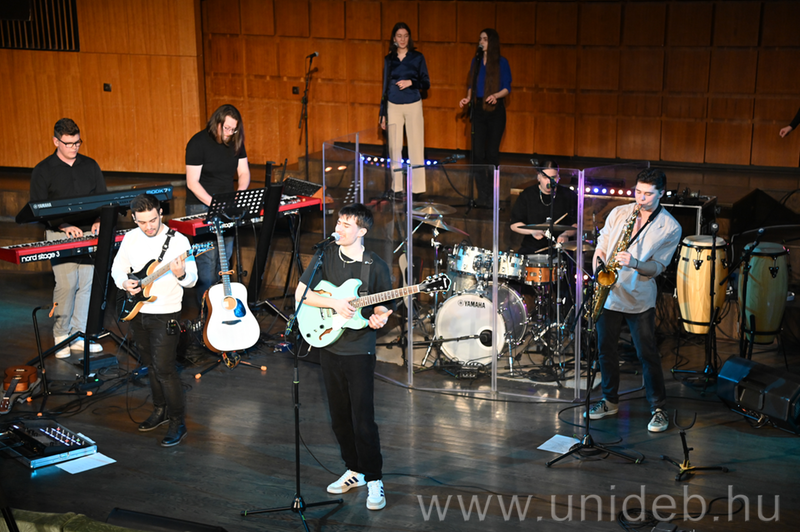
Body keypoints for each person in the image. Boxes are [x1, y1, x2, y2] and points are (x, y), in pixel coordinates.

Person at [295, 204, 393, 511]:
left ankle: (374, 479)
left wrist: (380, 316)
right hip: (329, 346)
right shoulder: (325, 255)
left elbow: (384, 305)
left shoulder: (375, 265)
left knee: (363, 419)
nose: (339, 228)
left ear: (362, 231)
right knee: (339, 417)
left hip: (359, 350)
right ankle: (354, 470)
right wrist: (335, 304)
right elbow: (301, 294)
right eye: (339, 222)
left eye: (347, 225)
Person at [587, 168, 681, 433]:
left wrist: (635, 262)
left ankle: (658, 408)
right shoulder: (620, 212)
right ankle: (609, 401)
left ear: (661, 193)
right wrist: (599, 271)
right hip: (610, 293)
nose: (641, 198)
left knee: (647, 354)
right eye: (638, 192)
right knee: (606, 351)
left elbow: (658, 267)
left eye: (648, 194)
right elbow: (602, 245)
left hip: (639, 296)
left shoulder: (670, 227)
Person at [111, 194, 198, 447]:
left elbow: (192, 279)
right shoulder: (130, 238)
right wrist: (124, 282)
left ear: (161, 213)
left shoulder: (179, 241)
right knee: (150, 365)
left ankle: (177, 422)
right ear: (133, 218)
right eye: (142, 222)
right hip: (139, 312)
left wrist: (181, 274)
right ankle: (160, 411)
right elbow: (117, 268)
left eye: (152, 220)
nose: (148, 227)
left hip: (166, 314)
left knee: (165, 369)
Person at [30, 118, 107, 358]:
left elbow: (102, 199)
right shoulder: (43, 170)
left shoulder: (90, 165)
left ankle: (79, 334)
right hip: (59, 233)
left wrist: (99, 219)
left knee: (87, 284)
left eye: (77, 142)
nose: (74, 147)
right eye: (68, 143)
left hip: (88, 233)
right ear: (56, 142)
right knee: (67, 284)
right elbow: (38, 208)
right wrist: (63, 225)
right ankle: (61, 336)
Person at [185, 104, 250, 308]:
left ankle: (223, 307)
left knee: (224, 259)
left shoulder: (236, 141)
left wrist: (240, 194)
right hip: (201, 204)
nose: (230, 133)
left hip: (226, 205)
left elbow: (244, 172)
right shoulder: (198, 142)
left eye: (234, 129)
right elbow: (192, 182)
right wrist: (215, 205)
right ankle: (206, 312)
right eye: (227, 128)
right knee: (207, 261)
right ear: (217, 123)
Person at [459, 28, 512, 208]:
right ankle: (483, 195)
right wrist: (468, 98)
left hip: (496, 110)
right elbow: (471, 85)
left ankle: (492, 194)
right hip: (479, 109)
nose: (481, 42)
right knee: (477, 154)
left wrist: (496, 95)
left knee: (491, 154)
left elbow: (507, 87)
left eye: (485, 39)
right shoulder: (476, 61)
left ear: (492, 42)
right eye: (480, 39)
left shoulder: (502, 62)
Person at [380, 22, 430, 196]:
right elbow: (384, 87)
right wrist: (382, 113)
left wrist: (411, 82)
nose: (402, 39)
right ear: (394, 38)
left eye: (405, 36)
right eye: (399, 36)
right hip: (393, 105)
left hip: (413, 105)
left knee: (416, 146)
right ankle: (397, 188)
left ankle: (417, 189)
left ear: (409, 38)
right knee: (394, 149)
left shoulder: (418, 57)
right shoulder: (389, 59)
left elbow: (426, 83)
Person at [510, 160, 577, 255]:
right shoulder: (527, 194)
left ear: (558, 177)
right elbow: (514, 225)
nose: (549, 181)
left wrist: (565, 234)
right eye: (545, 177)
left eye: (553, 177)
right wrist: (532, 231)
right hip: (532, 250)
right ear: (539, 177)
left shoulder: (569, 195)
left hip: (560, 251)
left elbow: (576, 225)